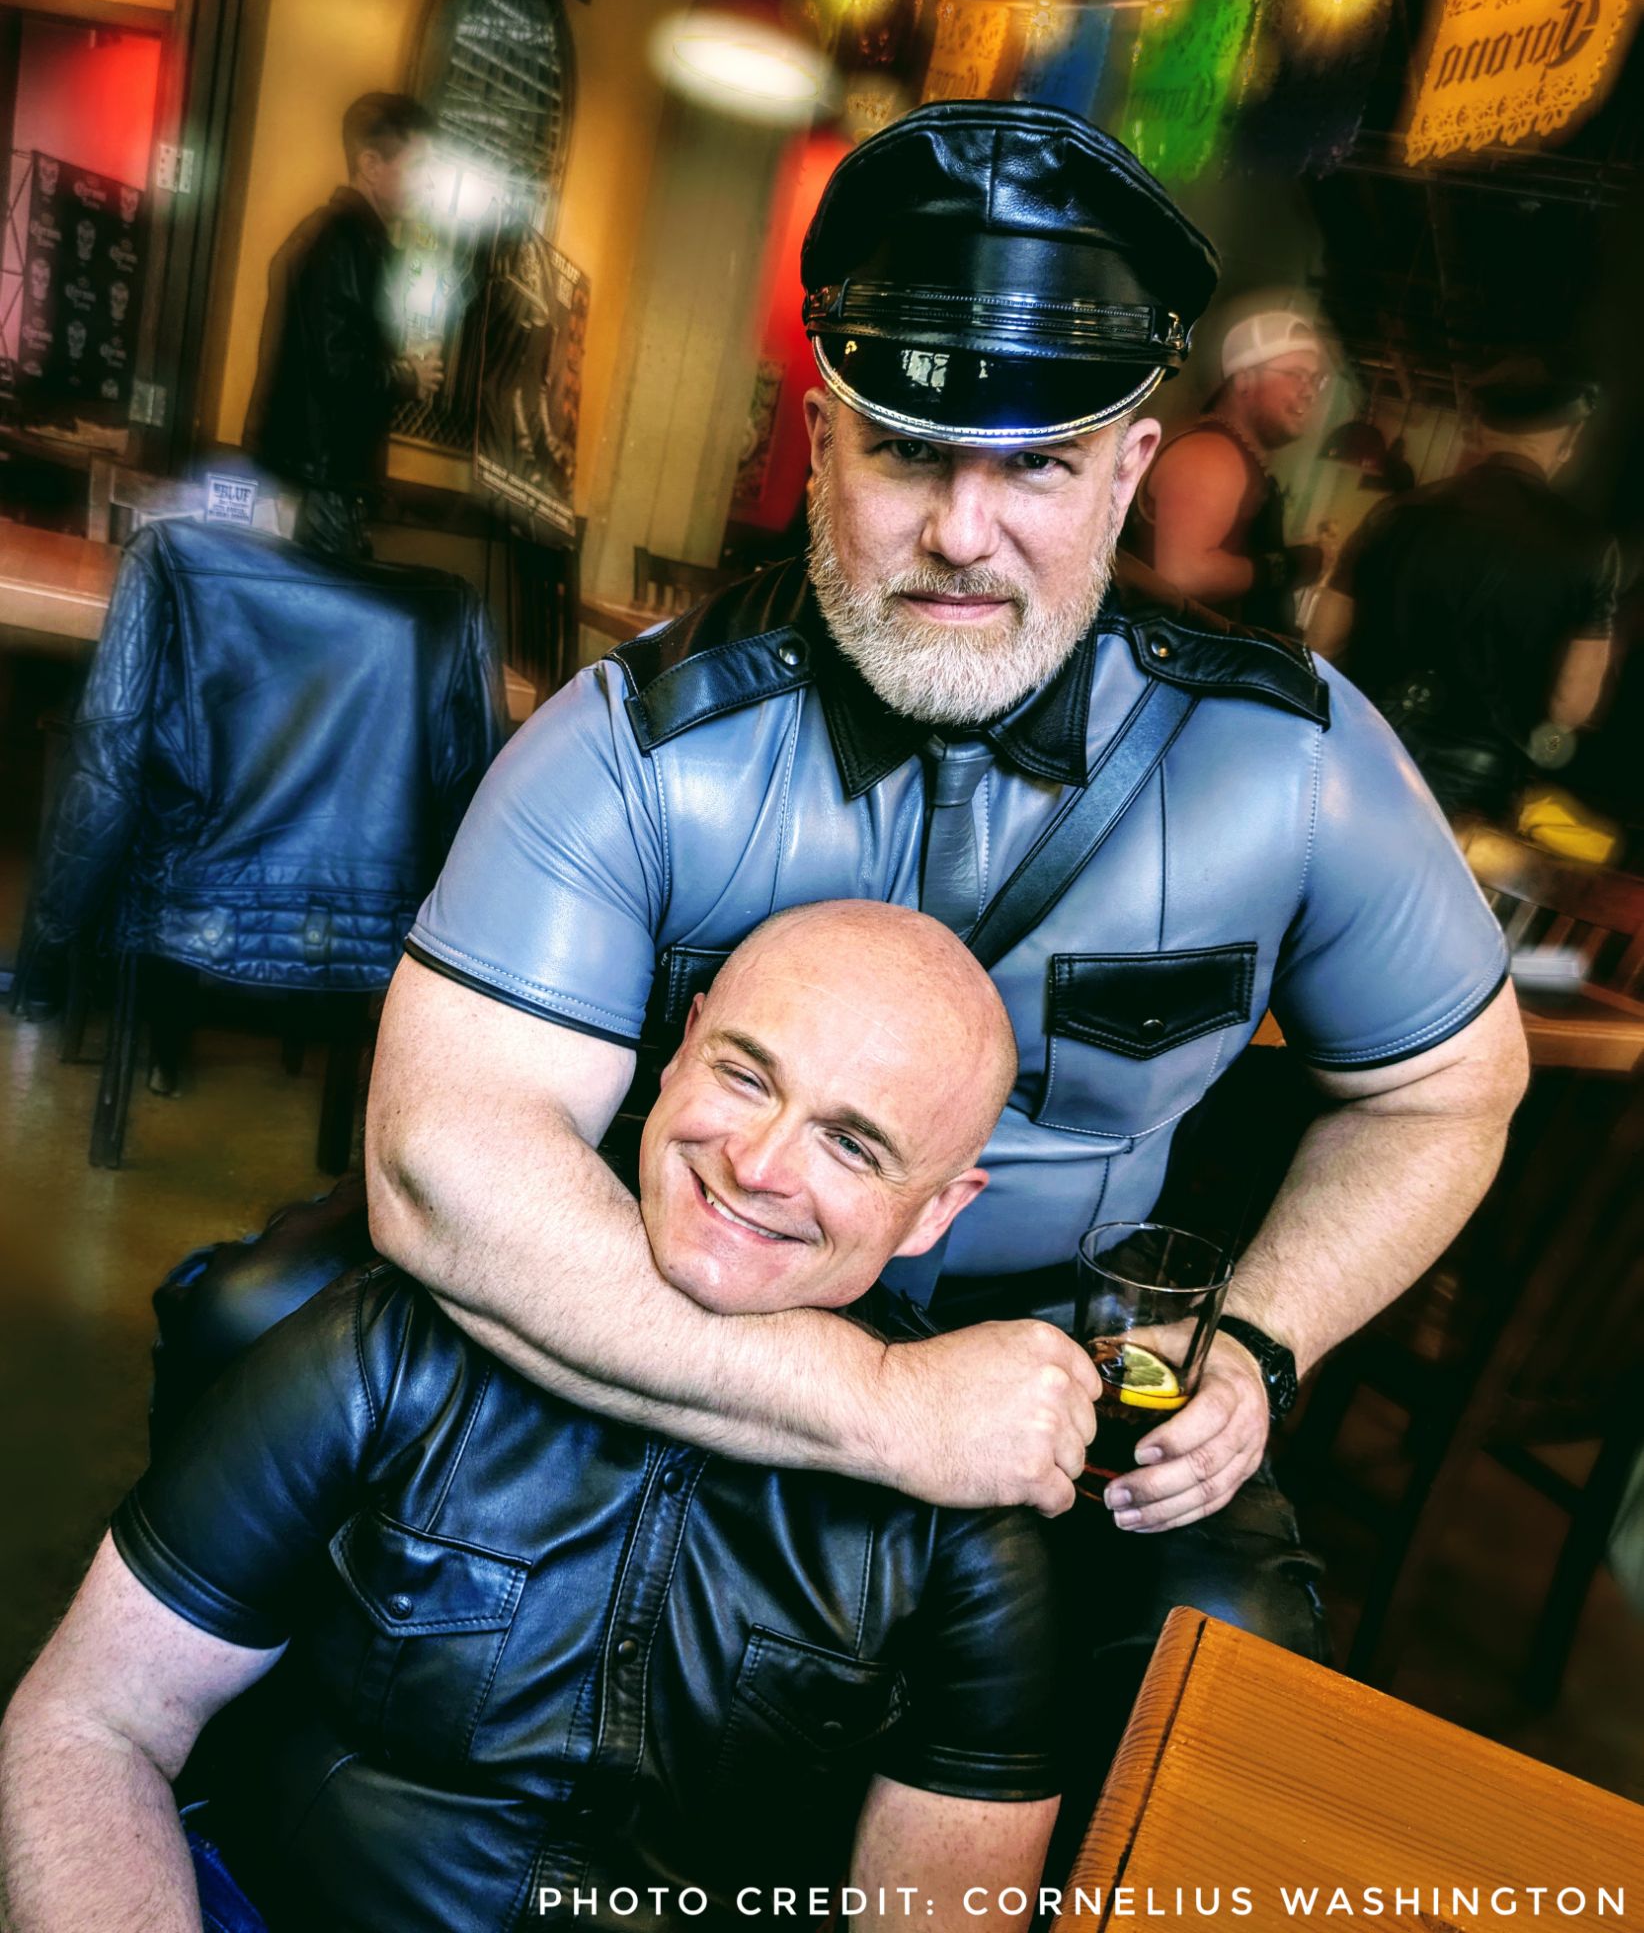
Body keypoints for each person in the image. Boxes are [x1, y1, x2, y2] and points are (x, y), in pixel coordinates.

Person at [356, 103, 1519, 1784]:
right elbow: (440, 1165)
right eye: (907, 452)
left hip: (1075, 1390)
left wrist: (1261, 1344)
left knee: (1224, 1674)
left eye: (1037, 464)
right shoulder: (637, 744)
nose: (964, 533)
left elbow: (1446, 1091)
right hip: (681, 1321)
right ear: (821, 440)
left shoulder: (1293, 760)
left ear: (1129, 469)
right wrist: (878, 1402)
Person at [0, 904, 1063, 1933]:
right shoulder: (391, 1344)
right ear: (681, 1049)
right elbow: (91, 1722)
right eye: (746, 1076)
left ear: (937, 1209)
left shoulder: (967, 1523)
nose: (758, 1164)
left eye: (851, 1145)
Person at [1332, 358, 1619, 821]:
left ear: (1479, 429)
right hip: (1472, 791)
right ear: (1569, 441)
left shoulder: (1396, 513)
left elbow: (1323, 638)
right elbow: (1570, 705)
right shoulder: (1590, 549)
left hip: (1360, 748)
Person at [244, 92, 444, 559]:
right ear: (371, 165)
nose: (429, 182)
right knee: (320, 602)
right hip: (321, 484)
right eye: (420, 167)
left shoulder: (343, 237)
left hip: (315, 479)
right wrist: (408, 376)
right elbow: (337, 369)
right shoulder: (341, 241)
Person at [1125, 308, 1334, 631]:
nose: (1309, 392)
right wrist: (1291, 565)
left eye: (1315, 380)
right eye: (1296, 374)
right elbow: (1185, 574)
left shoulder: (1234, 453)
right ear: (1245, 379)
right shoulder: (1212, 454)